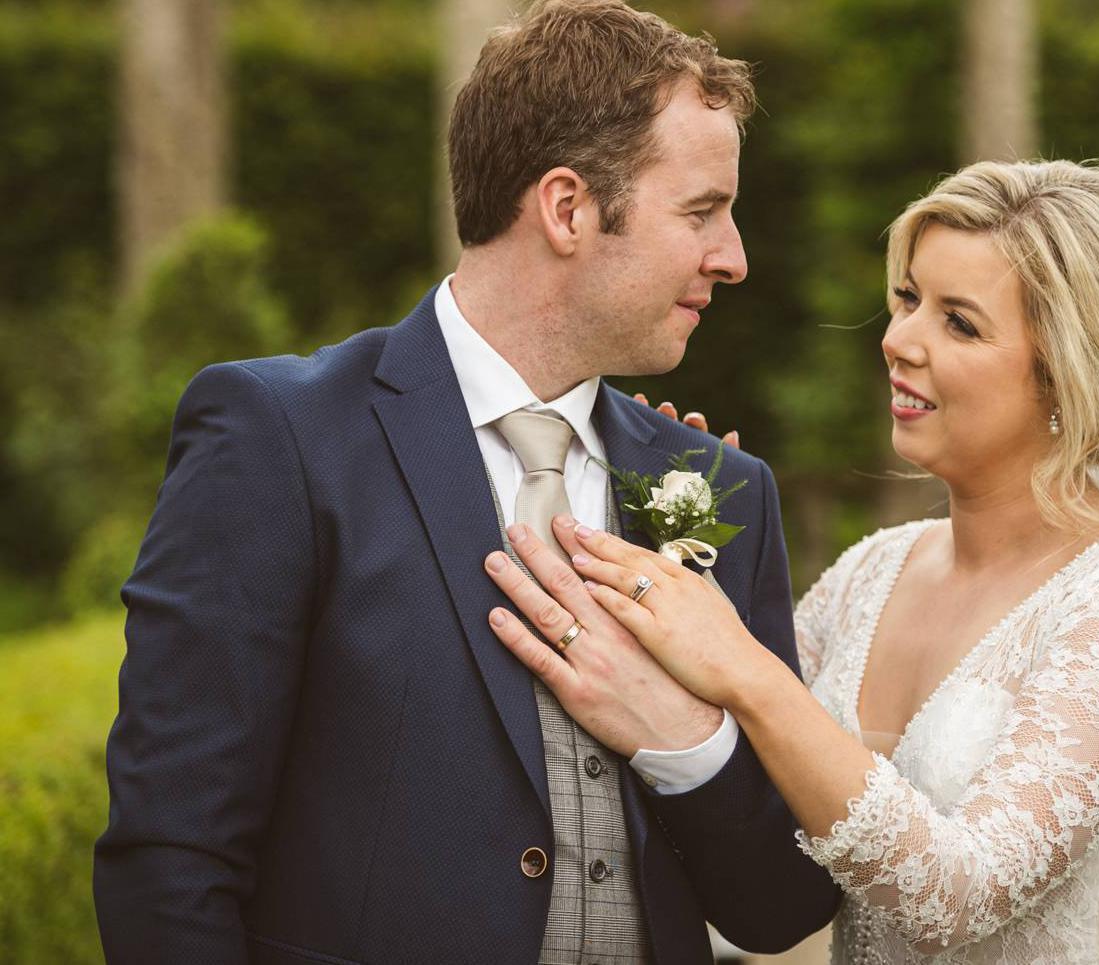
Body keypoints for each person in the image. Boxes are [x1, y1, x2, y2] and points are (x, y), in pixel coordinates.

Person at [92, 2, 839, 962]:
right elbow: (170, 856)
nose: (732, 258)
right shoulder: (280, 438)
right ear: (566, 209)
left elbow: (781, 908)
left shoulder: (717, 485)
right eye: (700, 212)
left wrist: (686, 741)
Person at [488, 160, 1099, 963]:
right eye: (908, 299)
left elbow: (961, 893)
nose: (898, 340)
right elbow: (750, 813)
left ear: (1068, 374)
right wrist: (685, 562)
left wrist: (745, 668)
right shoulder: (871, 572)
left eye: (958, 322)